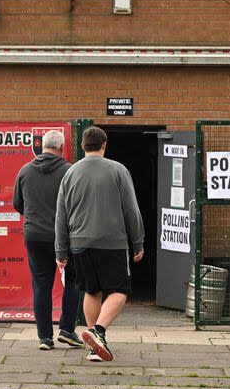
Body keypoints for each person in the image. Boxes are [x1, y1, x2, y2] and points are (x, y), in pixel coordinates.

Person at [55, 126, 144, 362]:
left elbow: (61, 215)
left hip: (79, 243)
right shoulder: (118, 170)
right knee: (119, 290)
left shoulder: (70, 173)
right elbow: (131, 209)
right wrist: (138, 241)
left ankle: (95, 347)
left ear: (83, 146)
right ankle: (98, 331)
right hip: (112, 242)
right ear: (104, 145)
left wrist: (60, 249)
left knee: (92, 290)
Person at [13, 129, 82, 351]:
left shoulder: (25, 171)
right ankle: (67, 330)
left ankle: (44, 337)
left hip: (34, 236)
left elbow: (17, 204)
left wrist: (35, 217)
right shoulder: (70, 172)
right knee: (71, 281)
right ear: (62, 148)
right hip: (65, 237)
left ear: (41, 146)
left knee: (41, 285)